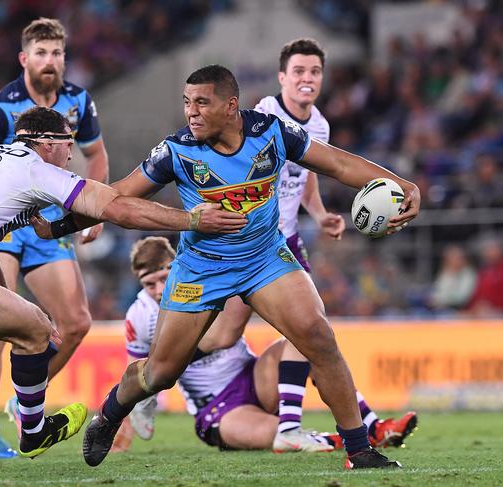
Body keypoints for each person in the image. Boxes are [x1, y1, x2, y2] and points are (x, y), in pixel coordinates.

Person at [0, 106, 246, 460]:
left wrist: (2, 302)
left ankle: (31, 427)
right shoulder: (35, 169)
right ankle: (34, 432)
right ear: (47, 144)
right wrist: (191, 220)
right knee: (37, 329)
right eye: (67, 144)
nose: (71, 155)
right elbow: (116, 208)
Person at [79, 64, 420, 470]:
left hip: (264, 258)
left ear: (231, 106)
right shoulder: (176, 151)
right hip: (201, 269)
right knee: (160, 373)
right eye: (187, 103)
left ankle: (359, 450)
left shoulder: (272, 132)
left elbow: (337, 164)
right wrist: (65, 218)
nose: (192, 112)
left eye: (202, 103)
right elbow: (117, 196)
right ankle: (110, 414)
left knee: (319, 337)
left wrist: (404, 185)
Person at [213, 38, 417, 450]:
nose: (308, 79)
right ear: (282, 78)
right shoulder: (264, 116)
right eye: (300, 72)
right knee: (218, 338)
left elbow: (307, 174)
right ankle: (147, 371)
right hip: (246, 240)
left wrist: (320, 213)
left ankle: (312, 426)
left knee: (310, 330)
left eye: (315, 72)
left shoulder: (319, 124)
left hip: (284, 241)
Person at [0, 18, 109, 458]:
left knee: (76, 324)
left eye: (57, 53)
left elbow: (96, 155)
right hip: (2, 227)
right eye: (41, 53)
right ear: (24, 59)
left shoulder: (78, 100)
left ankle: (25, 405)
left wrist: (91, 214)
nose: (49, 61)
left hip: (45, 226)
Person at [112, 236, 339, 453]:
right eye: (149, 284)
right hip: (217, 407)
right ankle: (315, 435)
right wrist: (125, 423)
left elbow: (227, 333)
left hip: (253, 377)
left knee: (304, 336)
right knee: (272, 435)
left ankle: (293, 428)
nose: (160, 291)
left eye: (164, 278)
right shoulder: (140, 314)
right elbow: (135, 373)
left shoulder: (205, 279)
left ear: (175, 266)